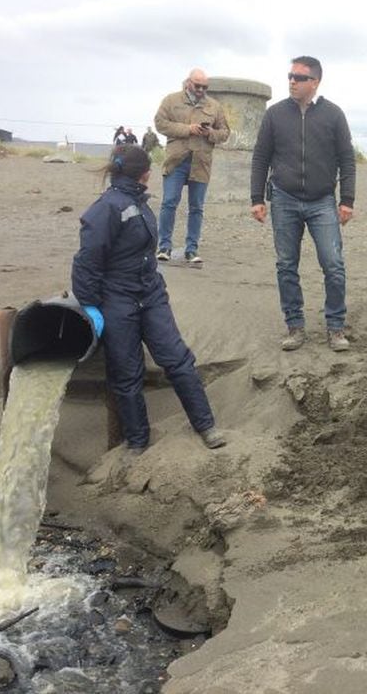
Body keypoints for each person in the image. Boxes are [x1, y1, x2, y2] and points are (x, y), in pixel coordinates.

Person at [71, 145, 227, 454]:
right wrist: (91, 308)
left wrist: (152, 289)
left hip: (150, 295)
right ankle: (138, 443)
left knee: (178, 360)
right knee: (127, 374)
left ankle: (206, 426)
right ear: (144, 173)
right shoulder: (105, 210)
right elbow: (86, 263)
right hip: (118, 302)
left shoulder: (138, 201)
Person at [250, 56, 356, 353]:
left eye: (299, 77)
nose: (292, 82)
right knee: (286, 265)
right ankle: (295, 326)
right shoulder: (275, 115)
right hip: (284, 198)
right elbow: (261, 157)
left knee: (333, 264)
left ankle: (335, 328)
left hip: (322, 200)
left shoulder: (333, 115)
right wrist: (256, 198)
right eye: (290, 76)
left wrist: (347, 200)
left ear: (315, 82)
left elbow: (347, 160)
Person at [154, 68, 229, 263]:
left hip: (201, 163)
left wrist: (209, 133)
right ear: (188, 82)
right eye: (198, 86)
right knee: (169, 202)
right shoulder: (171, 101)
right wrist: (187, 129)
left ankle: (192, 250)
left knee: (197, 207)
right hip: (176, 161)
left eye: (205, 87)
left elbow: (225, 133)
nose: (201, 90)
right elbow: (160, 123)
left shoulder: (214, 106)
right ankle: (164, 247)